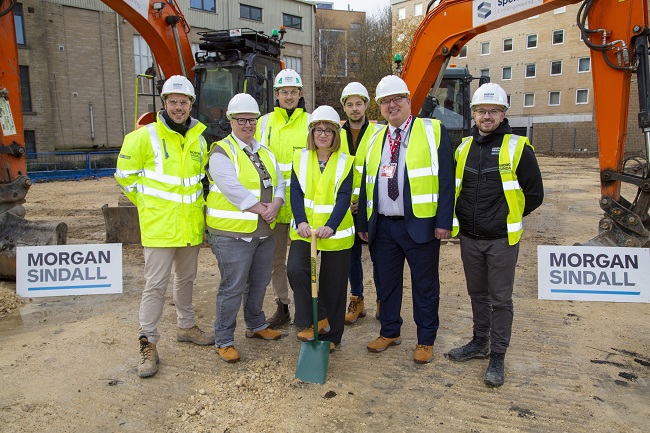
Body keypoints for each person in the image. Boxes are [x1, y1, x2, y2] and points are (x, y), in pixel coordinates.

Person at [115, 75, 214, 378]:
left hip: (189, 227)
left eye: (183, 102)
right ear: (164, 103)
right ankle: (148, 343)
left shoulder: (199, 138)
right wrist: (148, 204)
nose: (178, 107)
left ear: (190, 104)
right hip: (159, 227)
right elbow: (124, 176)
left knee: (186, 280)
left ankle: (186, 327)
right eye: (173, 101)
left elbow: (201, 182)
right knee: (155, 286)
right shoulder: (144, 137)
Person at [447, 82, 544, 387]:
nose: (486, 116)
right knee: (477, 294)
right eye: (480, 111)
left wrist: (508, 216)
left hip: (501, 239)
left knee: (500, 299)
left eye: (493, 111)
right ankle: (479, 342)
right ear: (473, 114)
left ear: (503, 114)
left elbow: (535, 194)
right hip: (470, 238)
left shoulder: (518, 148)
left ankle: (497, 356)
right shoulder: (462, 147)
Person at [357, 75, 455, 364]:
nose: (392, 105)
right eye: (386, 101)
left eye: (397, 98)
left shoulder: (432, 130)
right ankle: (389, 331)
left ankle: (426, 340)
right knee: (386, 283)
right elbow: (367, 182)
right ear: (379, 107)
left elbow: (447, 179)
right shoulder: (374, 136)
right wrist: (364, 223)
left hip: (421, 224)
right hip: (384, 225)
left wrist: (443, 221)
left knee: (425, 286)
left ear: (409, 100)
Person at [205, 93, 285, 363]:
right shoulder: (221, 151)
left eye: (252, 120)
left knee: (260, 282)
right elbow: (232, 189)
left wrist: (276, 203)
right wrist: (263, 209)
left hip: (263, 232)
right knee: (233, 287)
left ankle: (256, 324)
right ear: (231, 121)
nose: (248, 125)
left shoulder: (265, 152)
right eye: (242, 120)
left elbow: (280, 182)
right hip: (232, 235)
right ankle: (224, 339)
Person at [287, 106, 355, 352]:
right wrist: (301, 221)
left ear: (336, 134)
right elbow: (295, 192)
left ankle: (332, 337)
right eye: (318, 129)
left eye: (328, 130)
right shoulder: (301, 158)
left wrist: (331, 226)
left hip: (335, 232)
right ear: (312, 132)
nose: (323, 134)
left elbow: (344, 197)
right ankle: (317, 320)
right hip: (306, 231)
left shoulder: (346, 162)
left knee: (333, 285)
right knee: (296, 269)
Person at [255, 69, 310, 328]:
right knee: (276, 261)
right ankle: (283, 306)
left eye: (293, 92)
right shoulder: (263, 123)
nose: (289, 96)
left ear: (300, 94)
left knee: (303, 263)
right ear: (276, 95)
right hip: (273, 205)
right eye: (284, 92)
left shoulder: (311, 122)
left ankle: (306, 309)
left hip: (303, 206)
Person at [338, 82, 381, 324]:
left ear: (366, 105)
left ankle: (382, 299)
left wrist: (364, 202)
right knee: (351, 256)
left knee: (379, 256)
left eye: (359, 103)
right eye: (350, 104)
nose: (355, 109)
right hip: (346, 207)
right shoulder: (336, 135)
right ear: (344, 107)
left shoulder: (378, 133)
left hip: (371, 207)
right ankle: (357, 299)